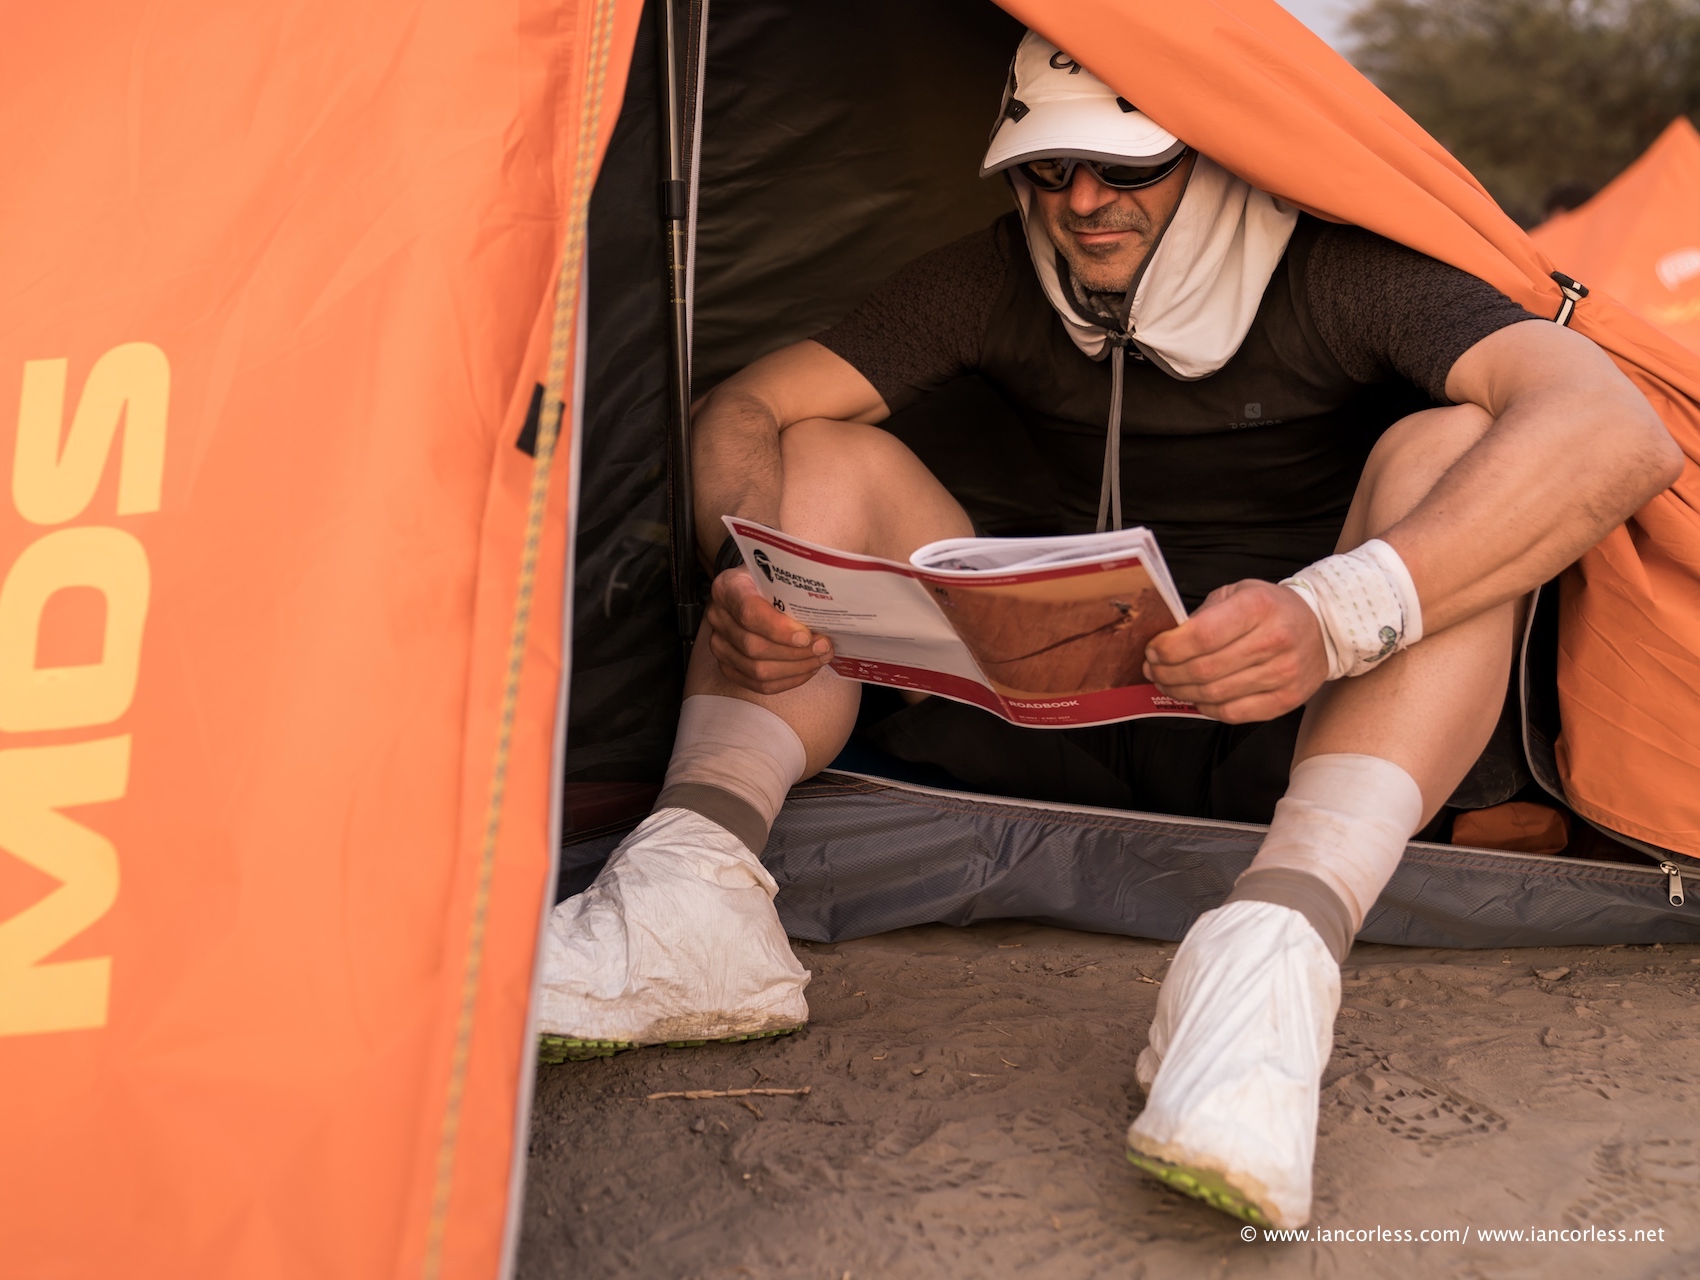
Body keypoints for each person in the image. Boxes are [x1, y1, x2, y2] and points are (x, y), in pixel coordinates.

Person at [537, 31, 1683, 1229]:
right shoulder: (995, 274)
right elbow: (748, 401)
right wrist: (742, 566)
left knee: (1456, 446)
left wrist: (1326, 615)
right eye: (1049, 167)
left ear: (1218, 153)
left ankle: (1268, 964)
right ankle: (694, 886)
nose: (1083, 202)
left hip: (1293, 723)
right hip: (1050, 717)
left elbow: (1614, 429)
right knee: (816, 451)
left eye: (1127, 167)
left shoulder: (1345, 271)